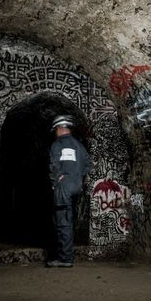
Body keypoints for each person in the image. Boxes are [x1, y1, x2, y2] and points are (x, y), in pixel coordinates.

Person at [46, 115, 92, 268]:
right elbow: (87, 165)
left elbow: (53, 165)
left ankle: (65, 258)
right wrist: (78, 177)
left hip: (63, 186)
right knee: (68, 218)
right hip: (76, 185)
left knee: (62, 221)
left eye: (55, 130)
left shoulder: (57, 144)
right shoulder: (79, 145)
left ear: (59, 128)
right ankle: (65, 255)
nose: (55, 133)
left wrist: (56, 181)